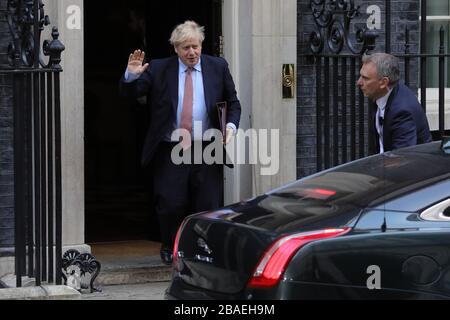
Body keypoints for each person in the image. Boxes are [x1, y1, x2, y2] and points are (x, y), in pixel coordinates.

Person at [119, 21, 242, 265]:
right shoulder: (159, 68)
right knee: (170, 202)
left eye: (195, 47)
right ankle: (171, 244)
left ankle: (203, 248)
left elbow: (233, 102)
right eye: (186, 48)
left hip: (207, 147)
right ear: (176, 48)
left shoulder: (218, 67)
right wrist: (131, 75)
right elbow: (130, 97)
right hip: (172, 148)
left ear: (201, 45)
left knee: (207, 204)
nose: (192, 52)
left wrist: (230, 126)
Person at [357, 52, 432, 153]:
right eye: (360, 76)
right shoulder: (379, 93)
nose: (359, 82)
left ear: (383, 82)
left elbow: (402, 158)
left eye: (365, 78)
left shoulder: (402, 111)